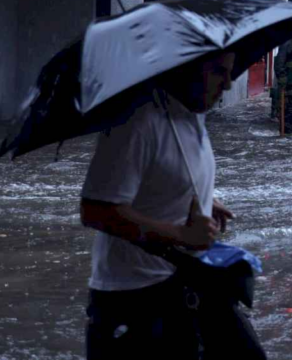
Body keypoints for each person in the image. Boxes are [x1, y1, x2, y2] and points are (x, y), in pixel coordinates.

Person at [80, 52, 237, 359]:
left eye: (230, 72)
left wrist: (204, 199)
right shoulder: (136, 123)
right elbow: (96, 209)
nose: (228, 85)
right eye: (219, 72)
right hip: (131, 301)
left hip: (177, 287)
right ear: (186, 68)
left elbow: (166, 172)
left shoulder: (192, 115)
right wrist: (182, 235)